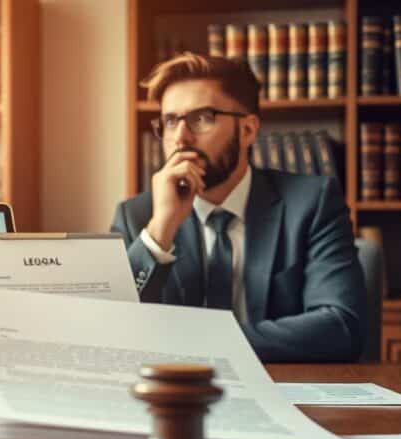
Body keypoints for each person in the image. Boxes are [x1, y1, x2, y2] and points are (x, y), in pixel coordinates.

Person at [111, 53, 366, 362]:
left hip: (283, 390)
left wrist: (206, 344)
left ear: (248, 130)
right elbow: (116, 330)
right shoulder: (137, 216)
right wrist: (160, 230)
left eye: (201, 118)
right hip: (174, 398)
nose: (180, 138)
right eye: (169, 121)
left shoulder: (311, 203)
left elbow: (341, 326)